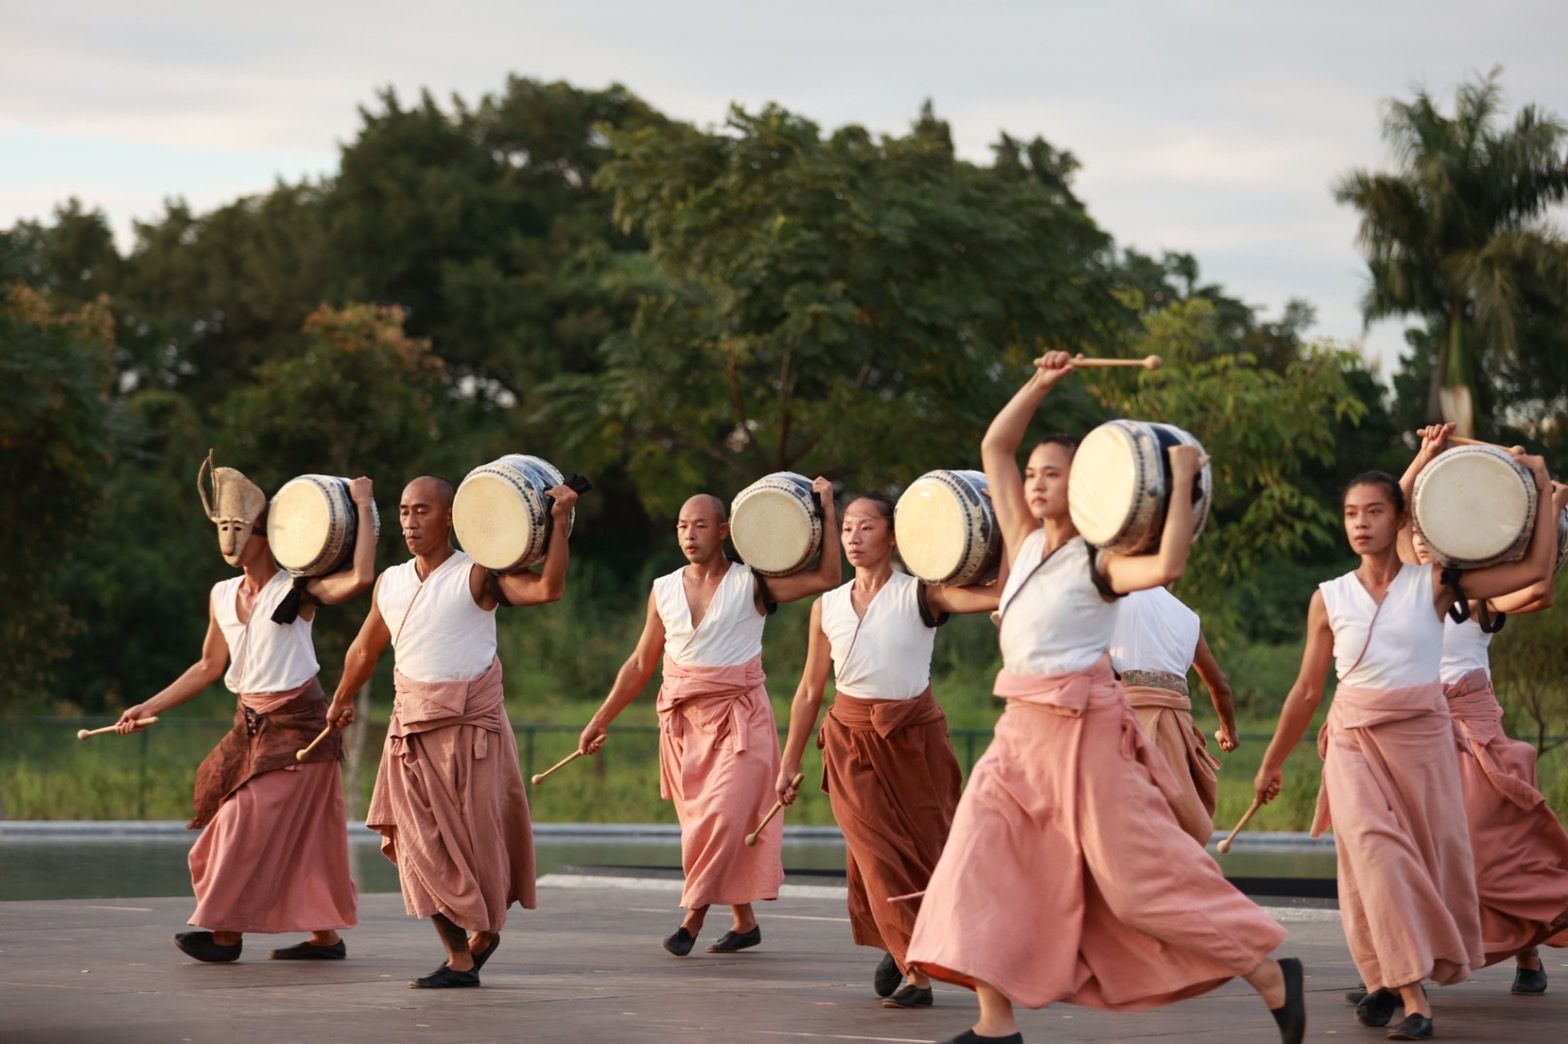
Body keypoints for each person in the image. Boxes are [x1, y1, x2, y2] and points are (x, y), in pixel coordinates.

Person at [906, 353, 1303, 1044]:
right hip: (1018, 731)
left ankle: (1269, 974)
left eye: (1051, 475)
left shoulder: (1100, 561)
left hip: (1082, 731)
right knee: (975, 862)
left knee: (1134, 884)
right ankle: (995, 1024)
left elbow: (1170, 565)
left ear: (1084, 485)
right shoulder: (1024, 543)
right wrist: (1041, 383)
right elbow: (995, 446)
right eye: (1031, 476)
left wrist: (1179, 483)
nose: (1033, 484)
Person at [1254, 427, 1556, 1040]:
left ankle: (1399, 977)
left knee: (1429, 859)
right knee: (1374, 852)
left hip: (1424, 738)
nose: (1361, 523)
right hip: (1353, 741)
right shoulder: (1329, 597)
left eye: (1374, 513)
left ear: (1398, 520)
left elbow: (1534, 569)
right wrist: (1272, 761)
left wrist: (1545, 489)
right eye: (1349, 514)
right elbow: (1308, 691)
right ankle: (1411, 996)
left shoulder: (1440, 586)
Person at [117, 457, 374, 964]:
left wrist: (364, 506)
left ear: (266, 532)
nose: (229, 542)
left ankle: (225, 933)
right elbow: (209, 666)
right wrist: (149, 704)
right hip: (249, 727)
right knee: (301, 841)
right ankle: (325, 937)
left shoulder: (295, 589)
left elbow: (361, 577)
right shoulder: (221, 594)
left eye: (239, 530)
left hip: (300, 730)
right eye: (221, 530)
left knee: (239, 823)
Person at [326, 474, 578, 988]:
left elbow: (549, 588)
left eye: (422, 511)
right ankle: (459, 958)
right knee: (419, 848)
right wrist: (341, 698)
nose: (410, 521)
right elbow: (363, 649)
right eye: (403, 511)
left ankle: (482, 936)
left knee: (481, 847)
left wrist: (560, 522)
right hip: (411, 735)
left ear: (449, 518)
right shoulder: (392, 582)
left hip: (472, 731)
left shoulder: (478, 572)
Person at [578, 483, 841, 956]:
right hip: (683, 727)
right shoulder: (662, 589)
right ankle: (744, 923)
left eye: (700, 525)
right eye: (682, 526)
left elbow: (827, 576)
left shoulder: (752, 583)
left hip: (740, 724)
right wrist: (601, 719)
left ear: (724, 531)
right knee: (708, 825)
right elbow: (640, 664)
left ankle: (692, 917)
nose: (689, 534)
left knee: (720, 818)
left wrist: (826, 507)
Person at [776, 492, 1000, 1009]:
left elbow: (997, 593)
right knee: (876, 856)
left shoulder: (923, 594)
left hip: (916, 740)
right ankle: (916, 970)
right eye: (848, 528)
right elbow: (811, 689)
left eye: (866, 527)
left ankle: (899, 941)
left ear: (894, 535)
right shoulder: (826, 605)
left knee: (928, 855)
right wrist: (788, 763)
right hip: (850, 743)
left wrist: (999, 527)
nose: (854, 537)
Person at [1403, 430, 1568, 995]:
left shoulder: (1477, 595)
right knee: (1410, 849)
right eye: (1417, 534)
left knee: (1494, 849)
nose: (1419, 542)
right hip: (1414, 725)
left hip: (1471, 725)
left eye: (1429, 537)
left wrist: (1548, 499)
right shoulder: (1402, 583)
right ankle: (1397, 973)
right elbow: (1393, 516)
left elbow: (1541, 589)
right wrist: (1425, 458)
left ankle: (1527, 951)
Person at [1108, 584, 1238, 843]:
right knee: (1172, 831)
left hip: (1120, 724)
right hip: (1175, 733)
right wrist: (1228, 732)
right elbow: (1220, 687)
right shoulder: (1187, 617)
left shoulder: (1106, 596)